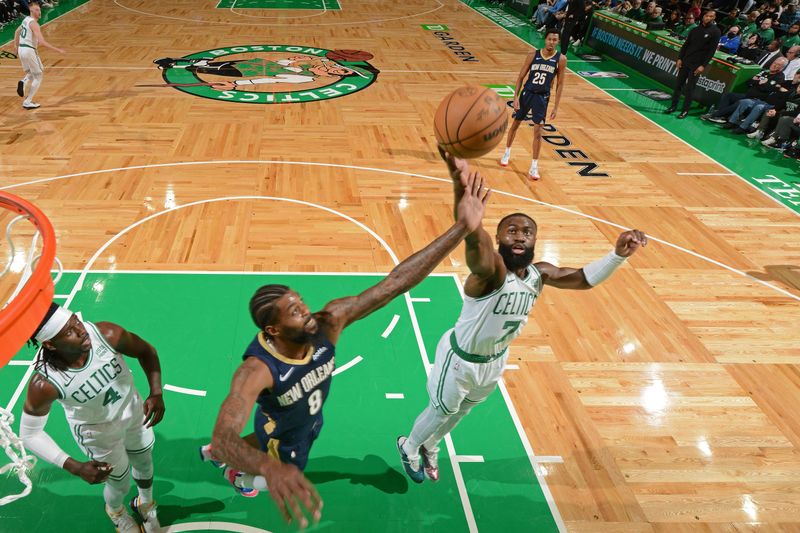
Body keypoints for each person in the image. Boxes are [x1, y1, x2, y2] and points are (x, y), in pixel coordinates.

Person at [202, 155, 491, 529]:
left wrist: (461, 228)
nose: (305, 310)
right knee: (270, 457)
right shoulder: (256, 370)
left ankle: (239, 461)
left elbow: (395, 283)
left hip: (305, 419)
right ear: (272, 330)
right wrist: (270, 471)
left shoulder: (329, 322)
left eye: (300, 301)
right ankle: (237, 477)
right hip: (284, 431)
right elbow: (224, 438)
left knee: (267, 434)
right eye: (292, 311)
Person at [396, 153, 647, 484]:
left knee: (464, 410)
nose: (518, 235)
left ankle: (432, 443)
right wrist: (469, 217)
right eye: (510, 231)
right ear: (499, 239)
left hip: (495, 361)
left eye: (526, 231)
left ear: (534, 240)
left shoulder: (539, 274)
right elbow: (477, 250)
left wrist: (617, 255)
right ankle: (410, 445)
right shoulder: (490, 273)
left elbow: (582, 279)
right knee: (443, 409)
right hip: (459, 361)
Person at [19, 304, 165, 532]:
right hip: (98, 435)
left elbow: (147, 351)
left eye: (76, 321)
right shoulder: (45, 383)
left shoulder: (106, 334)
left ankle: (146, 503)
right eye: (69, 331)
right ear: (49, 344)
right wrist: (74, 467)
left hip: (134, 414)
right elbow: (29, 434)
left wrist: (156, 392)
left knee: (145, 463)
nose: (80, 330)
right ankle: (116, 511)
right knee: (120, 485)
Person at [499, 29, 567, 181]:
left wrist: (556, 106)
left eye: (555, 40)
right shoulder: (533, 55)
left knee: (538, 132)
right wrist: (515, 97)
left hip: (542, 98)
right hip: (527, 94)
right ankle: (507, 152)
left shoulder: (561, 59)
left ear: (558, 42)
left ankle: (534, 166)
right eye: (549, 39)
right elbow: (520, 77)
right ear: (545, 39)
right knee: (515, 124)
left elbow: (560, 84)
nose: (552, 42)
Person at [665, 10, 722, 119]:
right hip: (686, 60)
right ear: (703, 16)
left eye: (711, 16)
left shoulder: (715, 32)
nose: (708, 18)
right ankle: (673, 107)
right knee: (678, 85)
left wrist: (703, 66)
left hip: (697, 65)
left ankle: (685, 111)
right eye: (706, 15)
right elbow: (686, 45)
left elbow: (711, 51)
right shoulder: (695, 29)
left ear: (714, 18)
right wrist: (680, 58)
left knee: (689, 88)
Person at [12, 0, 64, 109]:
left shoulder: (26, 20)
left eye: (39, 10)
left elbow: (16, 32)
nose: (39, 12)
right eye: (36, 10)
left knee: (32, 72)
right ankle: (28, 101)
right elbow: (42, 42)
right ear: (30, 10)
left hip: (22, 49)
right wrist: (57, 50)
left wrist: (16, 47)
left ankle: (24, 81)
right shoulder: (34, 24)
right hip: (30, 50)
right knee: (39, 75)